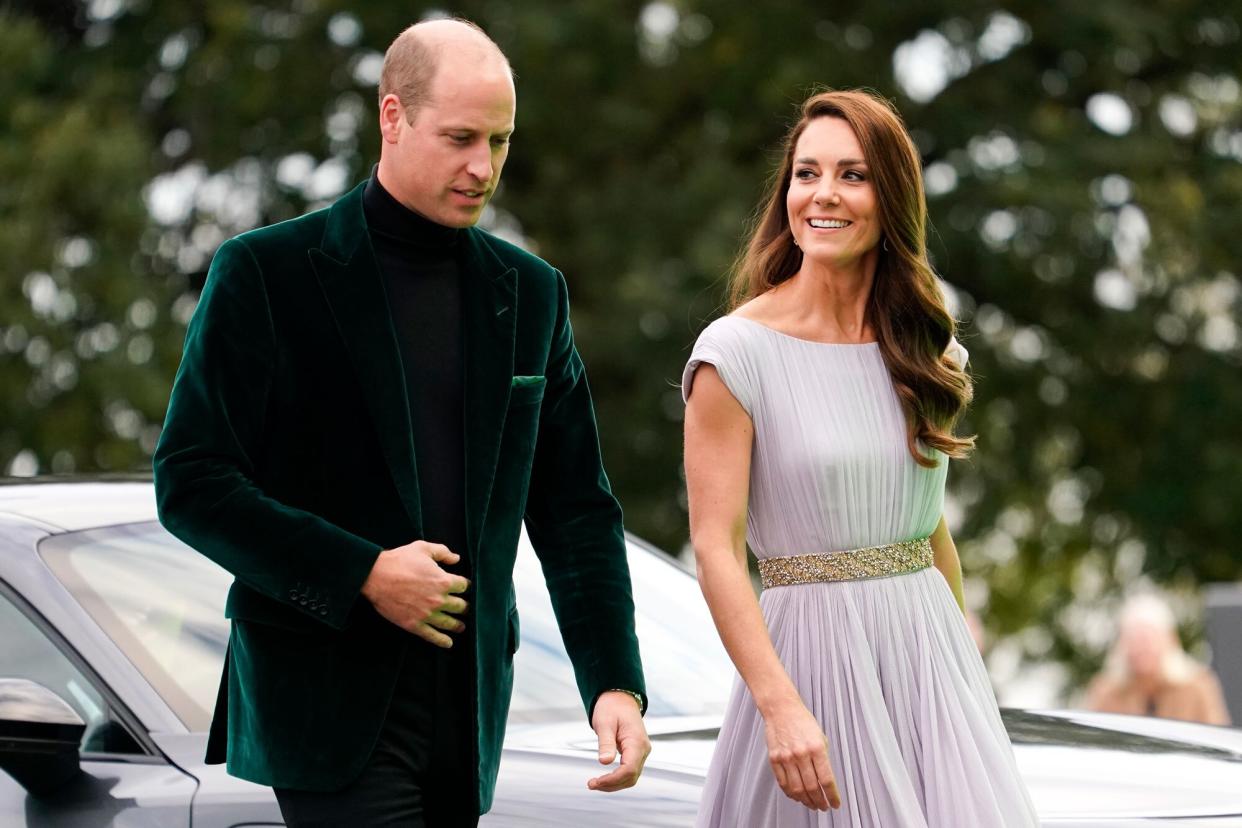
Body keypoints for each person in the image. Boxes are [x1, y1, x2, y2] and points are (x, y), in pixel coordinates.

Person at [153, 18, 648, 827]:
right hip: (324, 700)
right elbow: (192, 481)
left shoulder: (532, 293)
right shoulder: (266, 274)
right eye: (459, 138)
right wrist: (364, 574)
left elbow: (576, 510)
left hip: (469, 704)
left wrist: (614, 683)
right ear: (392, 118)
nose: (482, 166)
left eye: (500, 141)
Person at [682, 89, 1039, 826]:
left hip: (932, 673)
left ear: (891, 198)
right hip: (809, 673)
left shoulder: (929, 352)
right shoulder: (734, 355)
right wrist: (780, 708)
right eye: (806, 173)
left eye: (852, 175)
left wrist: (964, 685)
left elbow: (932, 533)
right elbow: (715, 548)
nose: (823, 195)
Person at [1086, 593, 1231, 725]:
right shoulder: (1106, 692)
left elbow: (1218, 740)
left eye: (1148, 638)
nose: (1141, 647)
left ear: (1169, 640)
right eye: (1133, 639)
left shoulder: (1198, 688)